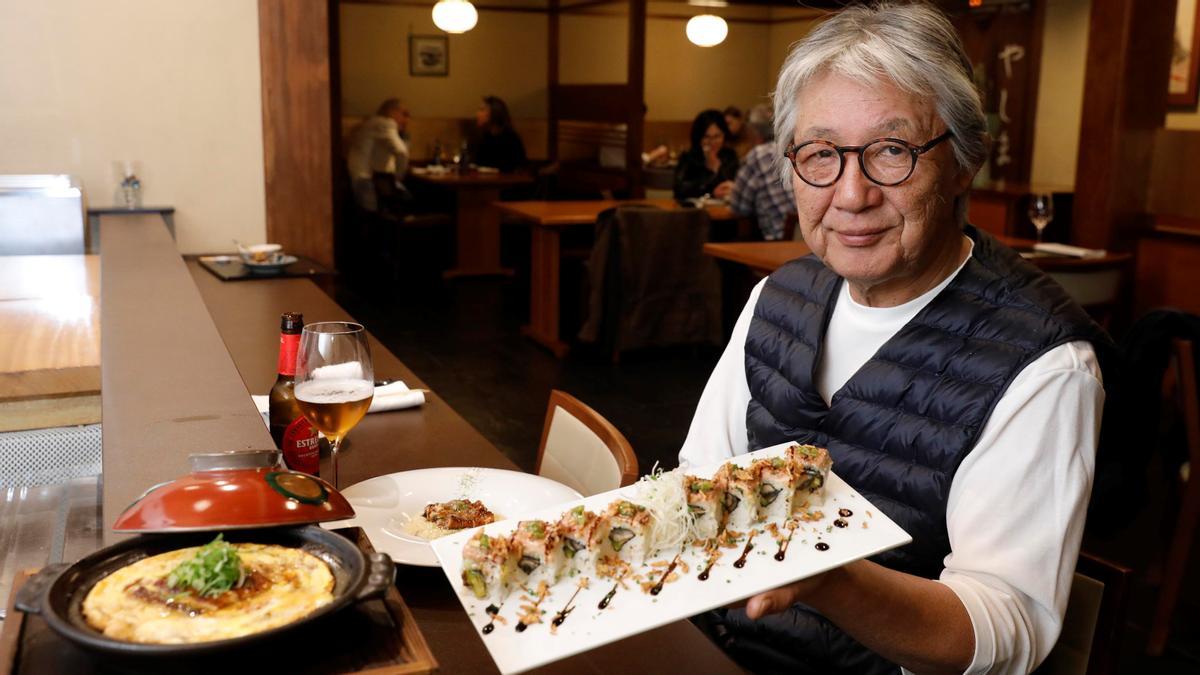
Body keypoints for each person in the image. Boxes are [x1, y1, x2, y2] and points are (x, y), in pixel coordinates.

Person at [678, 3, 1110, 674]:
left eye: (891, 150)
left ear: (963, 162)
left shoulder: (1043, 361)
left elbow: (1008, 626)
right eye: (820, 153)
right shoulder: (778, 296)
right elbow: (702, 484)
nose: (851, 194)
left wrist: (830, 579)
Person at [724, 104, 797, 240]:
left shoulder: (758, 155)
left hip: (777, 242)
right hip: (803, 238)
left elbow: (738, 207)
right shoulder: (791, 148)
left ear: (754, 132)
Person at [346, 98, 411, 213]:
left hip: (359, 177)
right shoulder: (385, 123)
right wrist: (398, 178)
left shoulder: (371, 123)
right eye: (404, 114)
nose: (407, 119)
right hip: (366, 180)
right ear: (392, 112)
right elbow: (402, 153)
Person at [673, 109, 739, 201]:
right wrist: (710, 184)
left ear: (724, 135)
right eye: (706, 137)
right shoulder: (688, 157)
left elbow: (733, 184)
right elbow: (679, 190)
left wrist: (716, 168)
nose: (712, 142)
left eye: (717, 136)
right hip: (694, 212)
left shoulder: (729, 156)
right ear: (699, 138)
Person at [472, 95, 526, 173]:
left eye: (482, 110)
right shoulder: (485, 137)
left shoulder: (510, 139)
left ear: (494, 113)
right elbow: (478, 163)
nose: (477, 114)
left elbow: (514, 168)